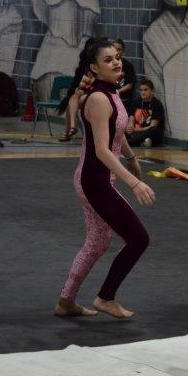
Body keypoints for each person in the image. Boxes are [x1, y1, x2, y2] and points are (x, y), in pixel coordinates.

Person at [55, 40, 156, 319]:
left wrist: (132, 158)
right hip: (94, 181)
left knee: (98, 241)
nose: (116, 63)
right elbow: (101, 149)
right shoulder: (99, 99)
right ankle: (106, 298)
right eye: (108, 60)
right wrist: (133, 182)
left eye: (117, 58)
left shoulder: (111, 93)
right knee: (138, 239)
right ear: (94, 68)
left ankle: (65, 302)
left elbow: (117, 133)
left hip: (96, 179)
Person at [126, 79, 165, 147]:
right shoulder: (136, 102)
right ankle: (142, 142)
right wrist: (130, 128)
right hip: (136, 132)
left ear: (152, 91)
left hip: (148, 132)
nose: (143, 92)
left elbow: (153, 125)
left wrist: (136, 130)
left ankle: (130, 142)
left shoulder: (157, 104)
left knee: (154, 130)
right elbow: (131, 119)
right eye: (141, 90)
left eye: (146, 90)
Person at [112, 38, 137, 109]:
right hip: (111, 98)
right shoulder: (108, 64)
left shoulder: (128, 65)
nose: (116, 51)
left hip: (124, 101)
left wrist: (117, 91)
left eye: (119, 49)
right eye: (114, 49)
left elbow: (130, 85)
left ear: (123, 52)